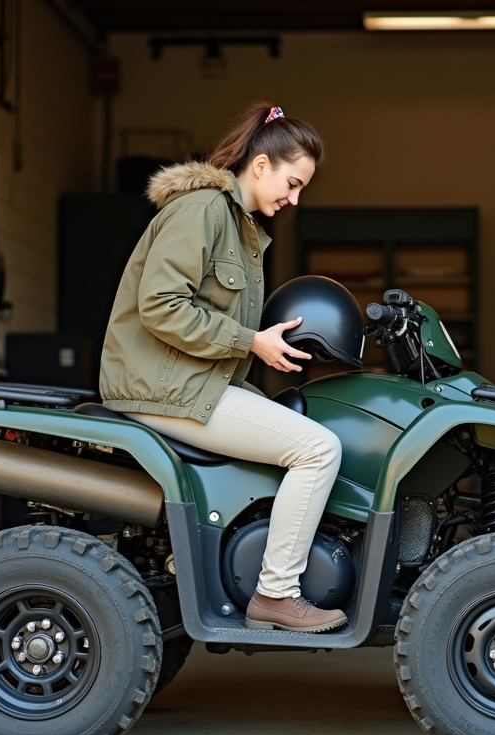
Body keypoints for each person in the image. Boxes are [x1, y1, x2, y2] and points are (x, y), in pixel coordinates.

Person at [99, 102, 347, 633]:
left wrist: (254, 348)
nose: (295, 198)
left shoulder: (237, 226)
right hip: (166, 390)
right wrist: (250, 341)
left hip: (189, 385)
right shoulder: (204, 210)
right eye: (293, 182)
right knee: (319, 449)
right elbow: (162, 304)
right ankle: (276, 592)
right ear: (261, 166)